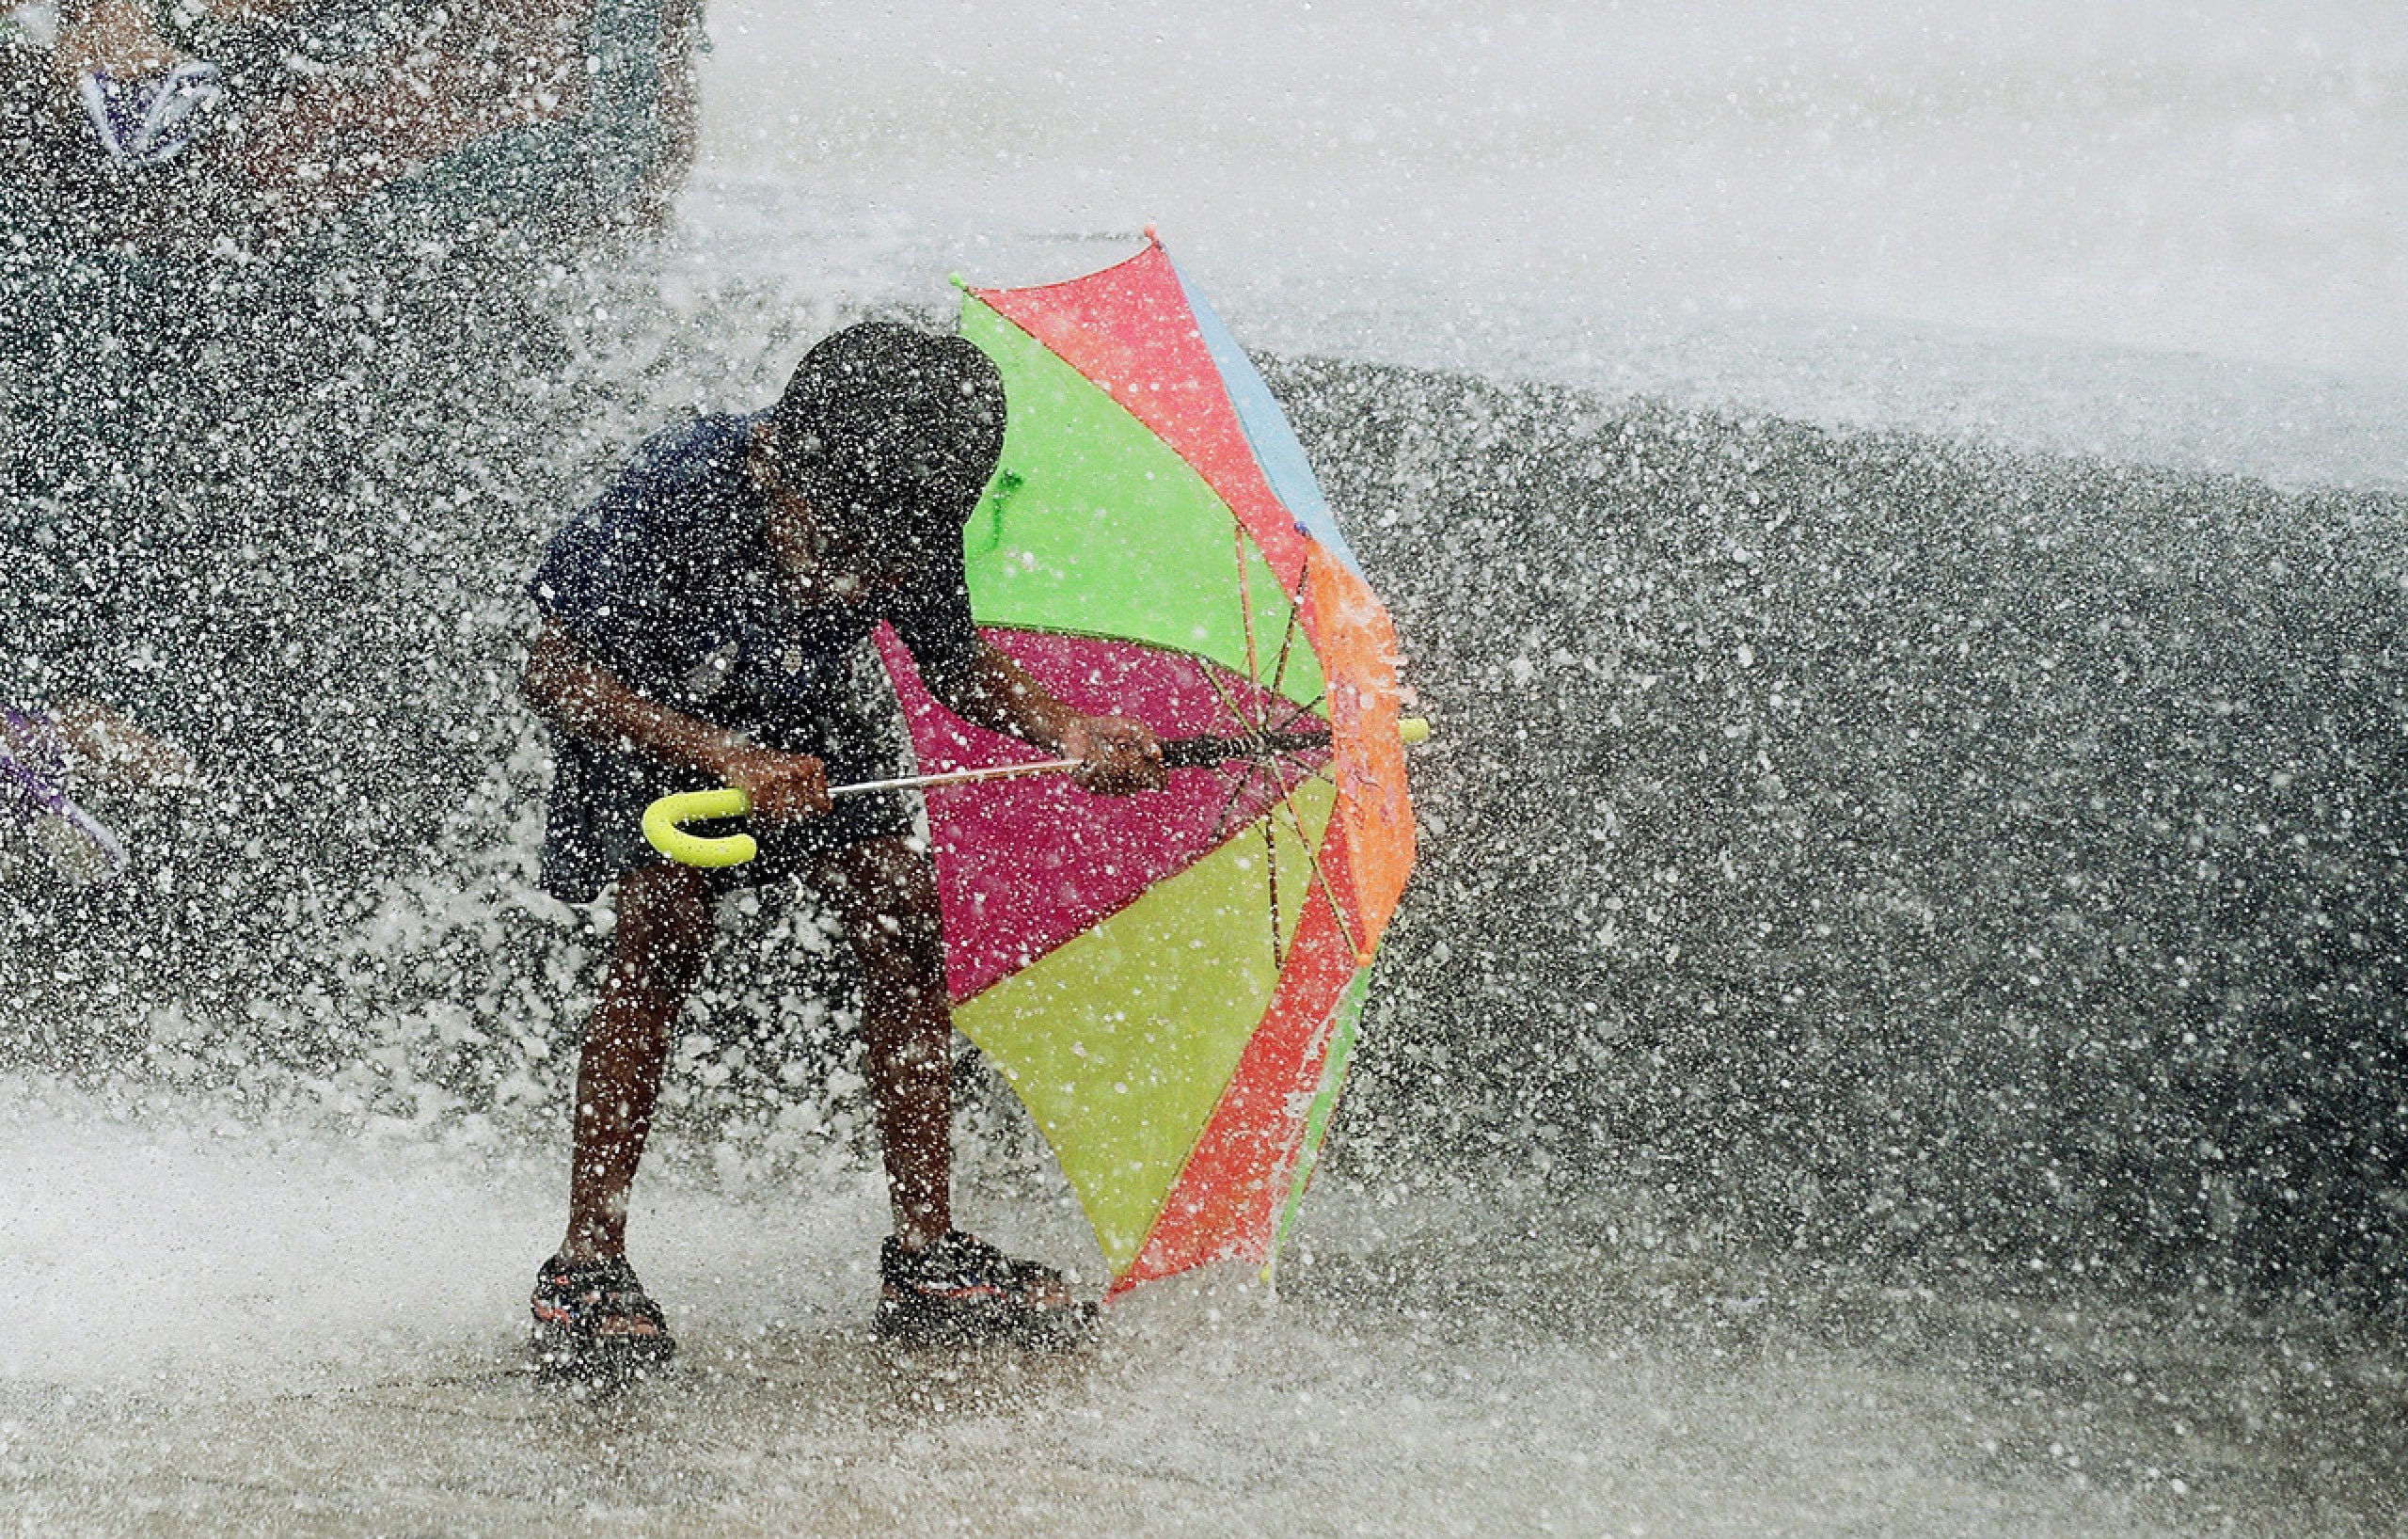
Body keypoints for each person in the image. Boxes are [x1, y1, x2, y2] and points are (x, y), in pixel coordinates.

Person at [521, 320, 1166, 1369]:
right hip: (652, 714)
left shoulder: (909, 495)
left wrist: (1067, 728)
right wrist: (718, 753)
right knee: (664, 928)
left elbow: (954, 664)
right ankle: (585, 1261)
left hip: (809, 714)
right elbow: (552, 671)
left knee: (901, 910)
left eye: (897, 554)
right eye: (846, 543)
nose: (865, 578)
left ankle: (926, 1251)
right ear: (779, 458)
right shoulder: (680, 491)